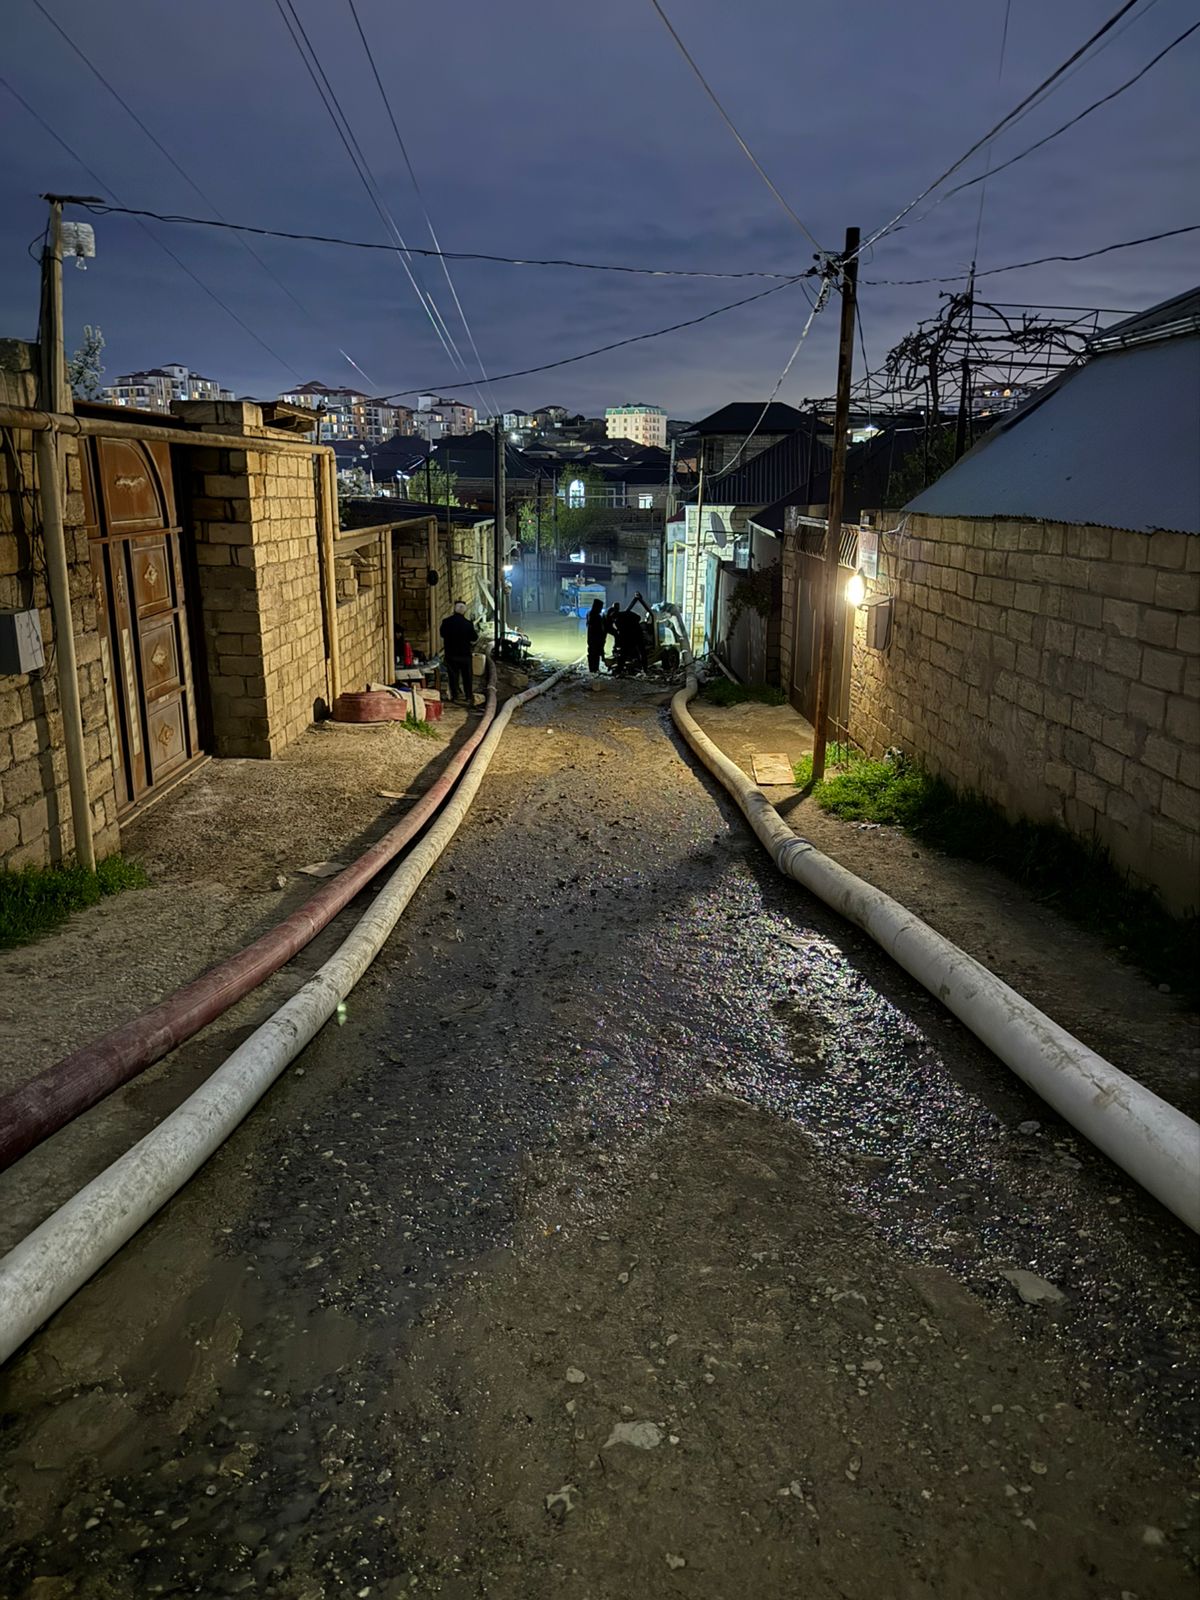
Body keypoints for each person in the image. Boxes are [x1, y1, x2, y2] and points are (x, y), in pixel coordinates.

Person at [440, 600, 479, 706]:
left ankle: (455, 696)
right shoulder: (468, 624)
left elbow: (442, 634)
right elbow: (474, 638)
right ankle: (468, 696)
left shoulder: (446, 622)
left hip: (451, 654)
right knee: (467, 676)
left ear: (454, 609)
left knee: (453, 676)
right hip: (465, 655)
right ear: (464, 611)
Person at [585, 598, 610, 674]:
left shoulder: (589, 614)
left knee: (592, 653)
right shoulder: (597, 617)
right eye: (600, 607)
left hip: (591, 638)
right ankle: (594, 669)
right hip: (596, 639)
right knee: (595, 654)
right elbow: (600, 629)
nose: (601, 609)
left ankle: (592, 669)